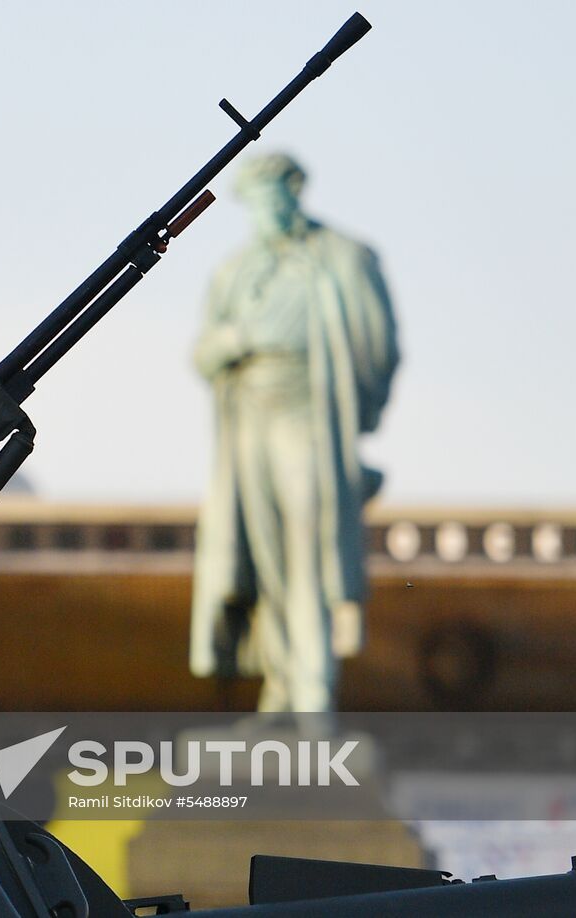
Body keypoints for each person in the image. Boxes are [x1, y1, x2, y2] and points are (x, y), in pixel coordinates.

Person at [188, 154, 398, 713]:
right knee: (263, 558)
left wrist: (360, 418)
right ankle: (282, 688)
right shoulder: (235, 271)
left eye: (269, 196)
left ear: (294, 190)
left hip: (309, 417)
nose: (262, 211)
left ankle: (311, 695)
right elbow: (203, 352)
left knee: (310, 554)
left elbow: (380, 345)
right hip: (248, 421)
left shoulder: (344, 258)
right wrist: (237, 338)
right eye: (251, 202)